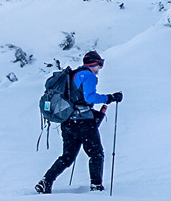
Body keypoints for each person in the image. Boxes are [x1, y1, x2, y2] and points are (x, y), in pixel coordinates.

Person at [35, 51, 122, 193]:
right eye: (100, 65)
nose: (100, 68)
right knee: (96, 153)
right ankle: (96, 186)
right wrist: (109, 98)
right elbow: (89, 98)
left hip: (67, 122)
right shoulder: (88, 76)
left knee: (67, 156)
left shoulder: (72, 75)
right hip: (84, 123)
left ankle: (46, 181)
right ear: (94, 63)